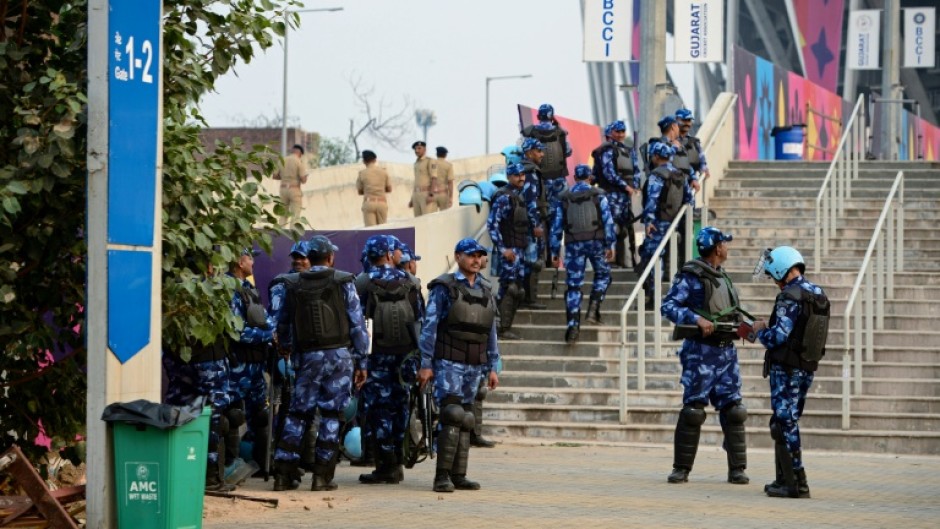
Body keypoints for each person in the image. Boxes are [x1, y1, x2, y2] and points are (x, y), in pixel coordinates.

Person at [269, 235, 369, 491]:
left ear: (309, 258)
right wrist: (362, 361)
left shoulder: (291, 283)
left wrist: (287, 350)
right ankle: (322, 477)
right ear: (330, 257)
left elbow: (283, 324)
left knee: (297, 414)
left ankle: (283, 475)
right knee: (331, 415)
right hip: (339, 357)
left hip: (307, 357)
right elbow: (357, 324)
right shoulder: (344, 281)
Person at [660, 227, 749, 485]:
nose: (727, 247)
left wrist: (750, 329)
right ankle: (681, 468)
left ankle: (737, 469)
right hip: (700, 353)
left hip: (726, 353)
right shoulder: (691, 276)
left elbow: (731, 313)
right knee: (693, 411)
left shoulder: (723, 277)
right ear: (717, 248)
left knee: (734, 410)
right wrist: (695, 318)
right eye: (725, 243)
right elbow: (668, 306)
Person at [417, 238, 500, 492]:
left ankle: (459, 475)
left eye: (480, 255)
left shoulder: (486, 290)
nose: (476, 260)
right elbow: (429, 327)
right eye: (470, 255)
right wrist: (426, 363)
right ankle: (441, 476)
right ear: (458, 256)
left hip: (474, 364)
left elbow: (491, 330)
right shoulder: (444, 287)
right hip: (448, 362)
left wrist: (494, 365)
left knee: (466, 419)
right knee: (451, 415)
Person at [754, 246, 829, 499]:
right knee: (784, 421)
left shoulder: (789, 296)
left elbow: (778, 336)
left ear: (780, 269)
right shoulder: (817, 293)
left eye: (772, 275)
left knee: (785, 422)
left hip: (786, 369)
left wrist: (758, 331)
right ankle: (784, 479)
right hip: (806, 366)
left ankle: (796, 482)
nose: (773, 281)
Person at [163, 261, 237, 491]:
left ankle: (173, 473)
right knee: (214, 417)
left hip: (177, 359)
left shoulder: (170, 290)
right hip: (208, 360)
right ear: (208, 266)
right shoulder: (212, 289)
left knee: (175, 410)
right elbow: (231, 325)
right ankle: (212, 478)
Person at [357, 236, 425, 485]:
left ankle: (385, 466)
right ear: (388, 255)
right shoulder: (411, 282)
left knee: (378, 411)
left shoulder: (362, 283)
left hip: (376, 359)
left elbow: (359, 326)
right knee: (401, 407)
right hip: (406, 359)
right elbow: (421, 323)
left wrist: (360, 362)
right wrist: (422, 361)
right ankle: (397, 461)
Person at [549, 164, 616, 344]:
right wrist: (611, 244)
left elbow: (556, 227)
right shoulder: (598, 195)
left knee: (573, 286)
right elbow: (608, 221)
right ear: (589, 177)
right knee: (604, 275)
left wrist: (554, 251)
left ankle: (573, 327)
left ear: (575, 178)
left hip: (573, 245)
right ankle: (593, 308)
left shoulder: (564, 198)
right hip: (597, 243)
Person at [225, 249, 276, 473]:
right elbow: (238, 332)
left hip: (255, 366)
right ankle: (229, 467)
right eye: (249, 258)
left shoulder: (248, 289)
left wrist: (271, 328)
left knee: (261, 417)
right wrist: (268, 335)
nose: (253, 262)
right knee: (233, 416)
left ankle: (263, 465)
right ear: (239, 261)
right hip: (237, 367)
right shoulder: (228, 289)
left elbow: (263, 320)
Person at [639, 142, 693, 305]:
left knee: (653, 259)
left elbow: (652, 199)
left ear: (656, 157)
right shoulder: (680, 175)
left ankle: (654, 297)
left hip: (658, 223)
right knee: (665, 259)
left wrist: (648, 221)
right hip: (674, 223)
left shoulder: (657, 175)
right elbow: (689, 200)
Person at [487, 163, 531, 340]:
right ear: (509, 176)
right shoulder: (504, 197)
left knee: (518, 289)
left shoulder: (520, 196)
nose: (521, 178)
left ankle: (504, 326)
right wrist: (503, 249)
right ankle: (502, 328)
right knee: (510, 288)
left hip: (519, 250)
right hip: (509, 251)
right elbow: (492, 225)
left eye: (522, 175)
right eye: (516, 175)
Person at [591, 120, 640, 269]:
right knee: (609, 228)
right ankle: (609, 261)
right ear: (609, 133)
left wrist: (635, 186)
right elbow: (608, 173)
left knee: (624, 229)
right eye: (617, 131)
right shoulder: (606, 150)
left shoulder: (629, 151)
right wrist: (626, 187)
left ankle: (624, 260)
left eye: (623, 131)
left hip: (625, 197)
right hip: (610, 195)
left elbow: (636, 170)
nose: (621, 135)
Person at [519, 138, 548, 310]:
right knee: (532, 263)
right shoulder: (529, 172)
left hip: (525, 224)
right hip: (530, 226)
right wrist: (535, 225)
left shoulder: (525, 169)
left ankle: (527, 298)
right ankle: (530, 299)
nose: (542, 154)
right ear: (529, 152)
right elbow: (530, 201)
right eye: (539, 151)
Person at [521, 103, 571, 182]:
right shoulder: (560, 132)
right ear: (551, 116)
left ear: (538, 116)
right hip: (559, 180)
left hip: (539, 179)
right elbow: (568, 152)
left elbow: (525, 155)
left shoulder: (530, 132)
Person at [356, 150, 392, 227]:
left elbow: (359, 191)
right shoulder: (383, 172)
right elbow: (389, 189)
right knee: (383, 229)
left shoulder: (362, 173)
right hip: (382, 203)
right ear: (375, 160)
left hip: (369, 203)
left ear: (364, 161)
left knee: (371, 230)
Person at [275, 144, 308, 226]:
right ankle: (293, 235)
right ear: (300, 153)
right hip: (294, 189)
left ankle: (280, 233)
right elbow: (303, 180)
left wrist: (284, 177)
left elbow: (275, 176)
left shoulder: (282, 160)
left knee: (283, 214)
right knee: (295, 215)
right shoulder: (298, 161)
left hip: (283, 189)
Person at [676, 109, 709, 187]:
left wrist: (704, 168)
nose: (687, 123)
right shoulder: (671, 141)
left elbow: (701, 158)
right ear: (677, 120)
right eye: (684, 120)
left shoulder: (694, 142)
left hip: (690, 184)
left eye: (689, 120)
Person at [410, 141, 439, 217]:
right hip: (416, 195)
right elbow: (417, 181)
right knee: (417, 221)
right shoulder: (416, 163)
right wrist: (412, 198)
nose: (417, 151)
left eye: (419, 148)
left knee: (428, 220)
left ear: (425, 149)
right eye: (415, 149)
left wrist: (431, 194)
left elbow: (434, 178)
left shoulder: (430, 161)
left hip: (426, 194)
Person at [433, 146, 455, 211]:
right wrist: (451, 197)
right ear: (445, 155)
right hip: (443, 194)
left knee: (431, 216)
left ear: (436, 154)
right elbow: (450, 182)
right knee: (445, 217)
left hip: (432, 194)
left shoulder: (431, 164)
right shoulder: (448, 165)